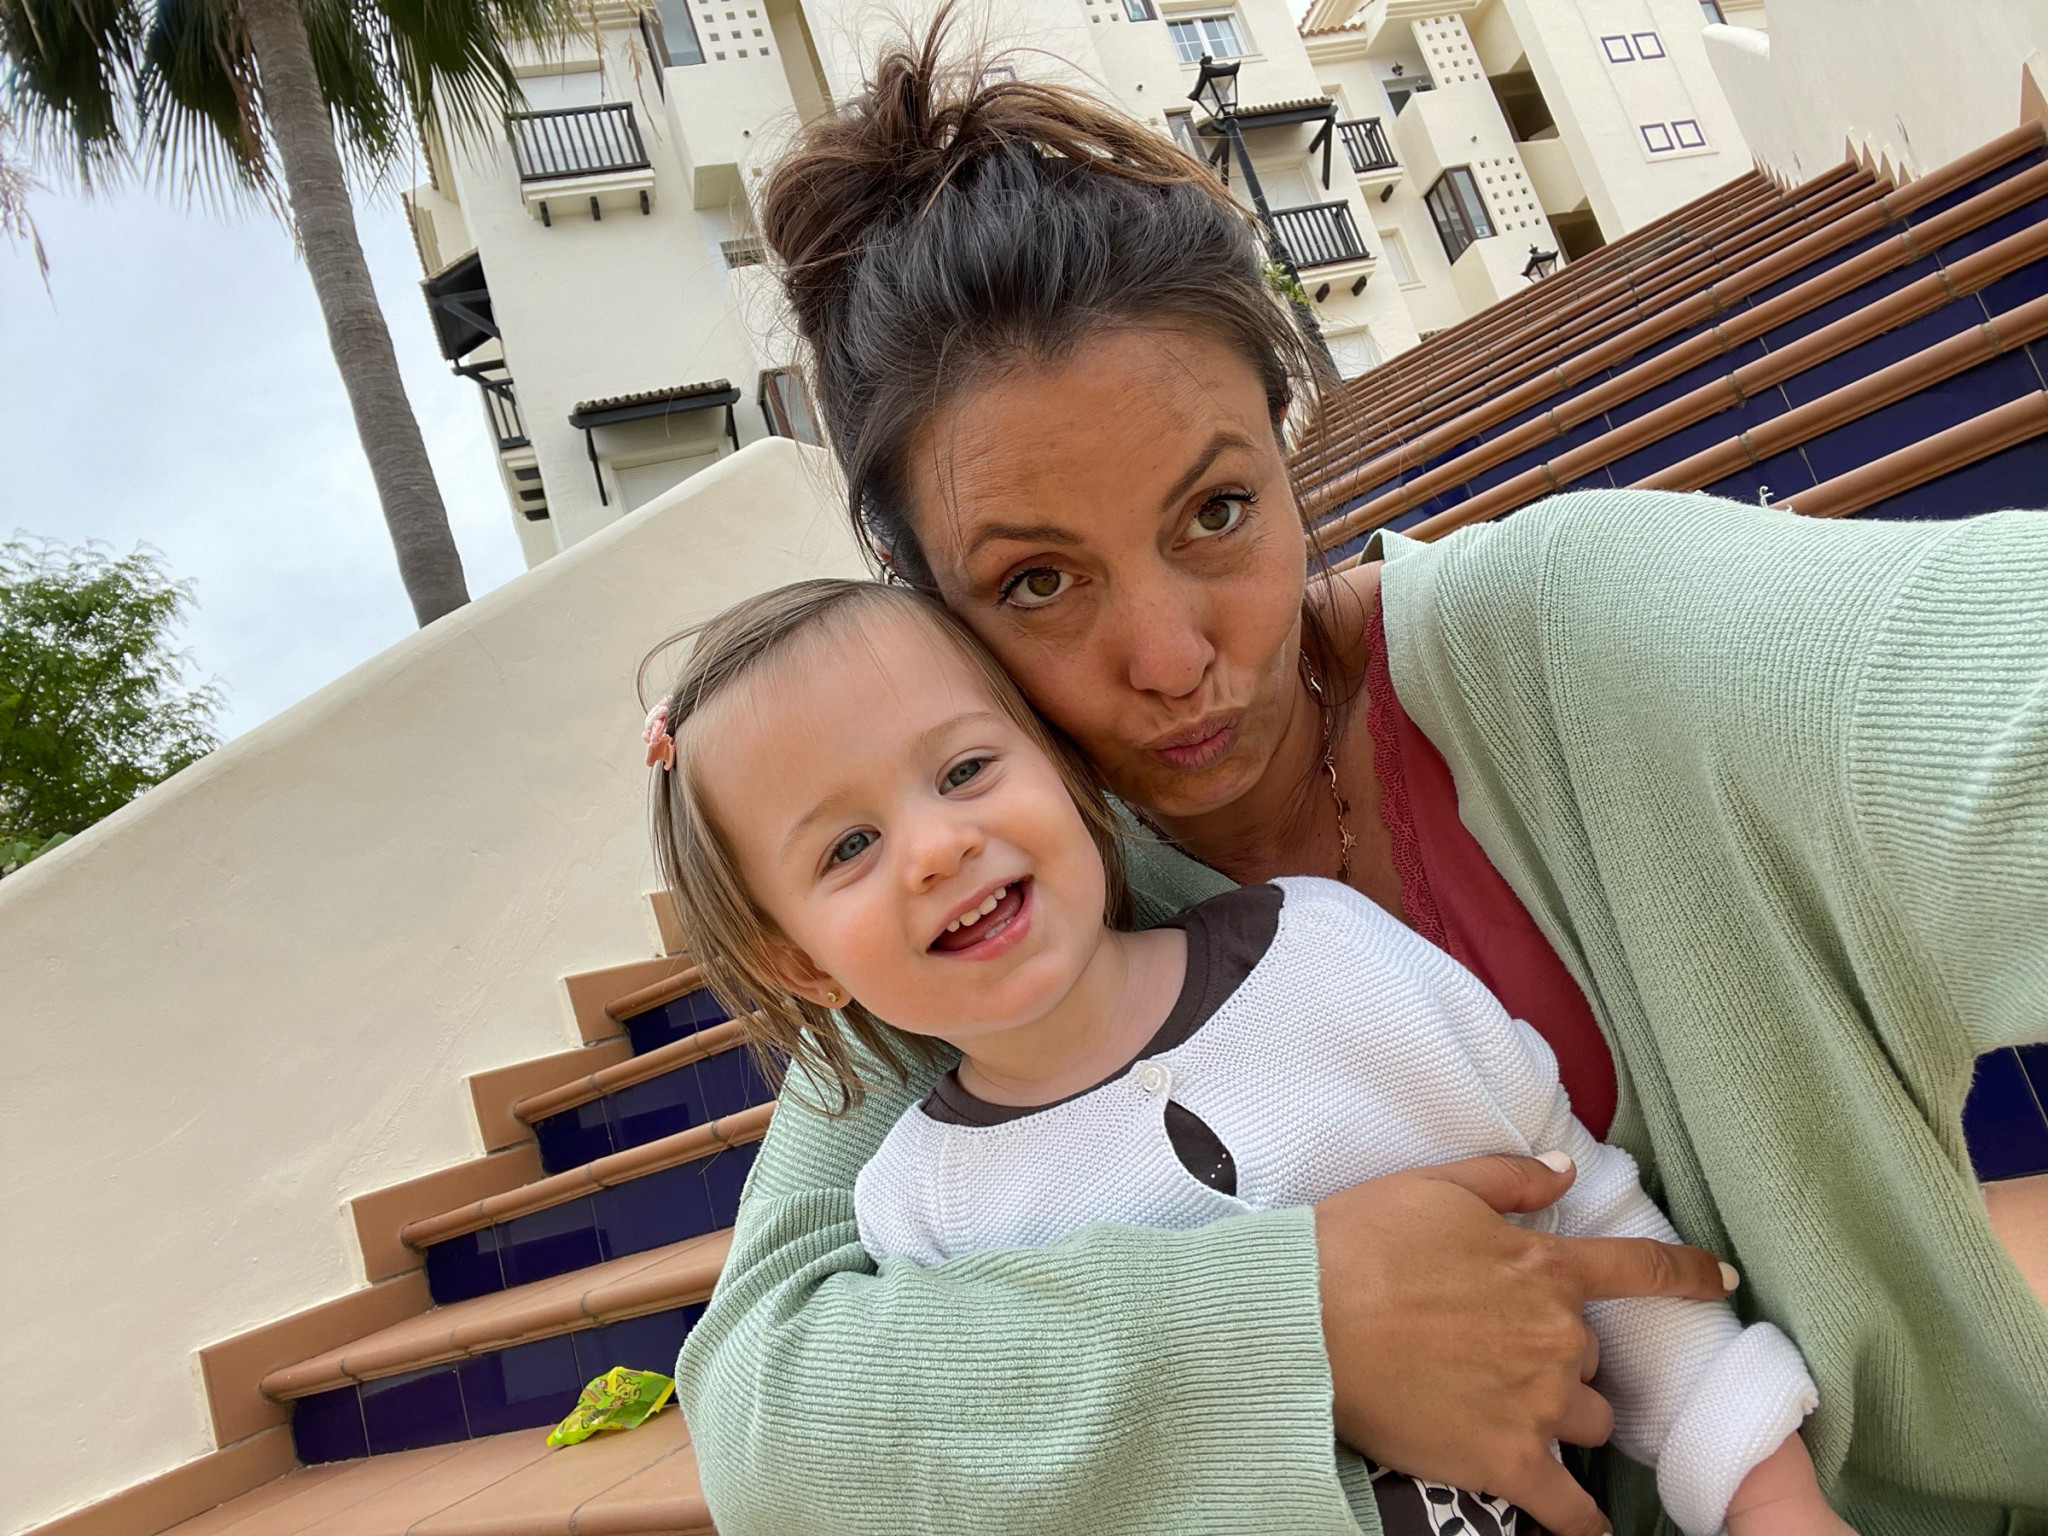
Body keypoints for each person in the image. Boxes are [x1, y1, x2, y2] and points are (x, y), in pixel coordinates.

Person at [666, 23, 2048, 1536]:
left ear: (1287, 444)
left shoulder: (1582, 636)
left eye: (1215, 511)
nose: (1173, 657)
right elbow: (765, 1420)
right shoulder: (984, 915)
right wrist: (1297, 1324)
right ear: (925, 598)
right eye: (1038, 583)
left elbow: (1982, 698)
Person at [643, 576, 1847, 1536]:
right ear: (798, 963)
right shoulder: (916, 1212)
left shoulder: (1325, 956)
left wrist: (1764, 1495)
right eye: (847, 848)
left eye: (964, 771)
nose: (933, 847)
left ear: (1061, 769)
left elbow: (1578, 1214)